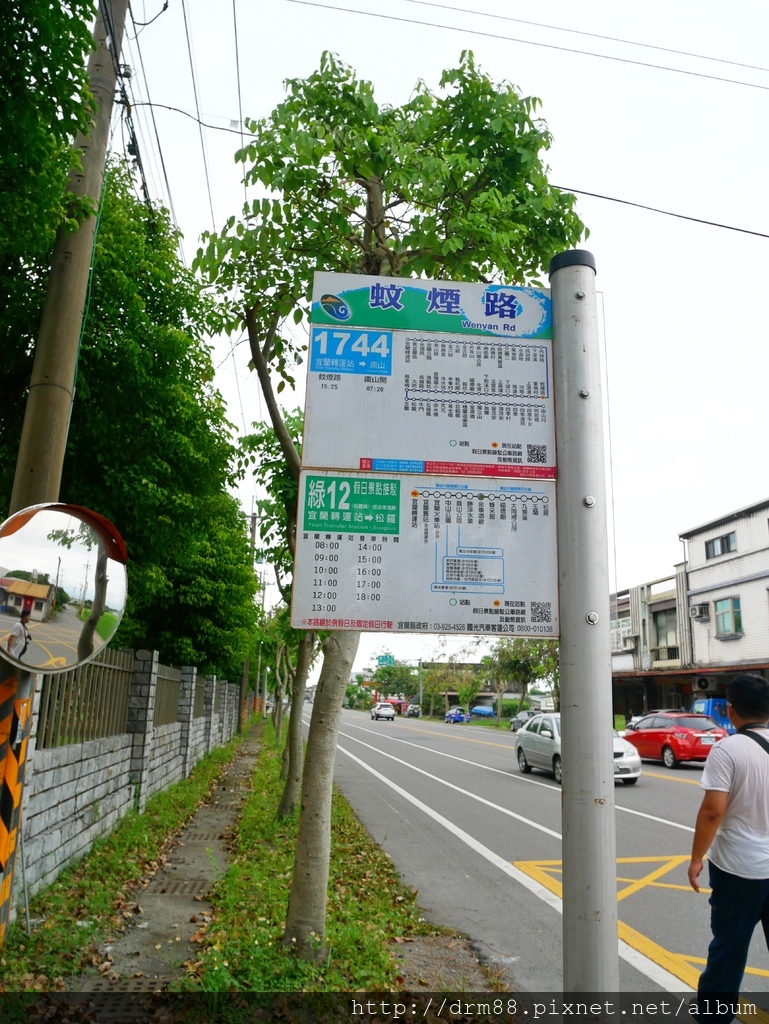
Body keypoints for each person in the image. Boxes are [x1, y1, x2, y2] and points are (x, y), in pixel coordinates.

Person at [688, 672, 769, 1021]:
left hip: (740, 870)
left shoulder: (728, 749)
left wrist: (695, 859)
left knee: (730, 947)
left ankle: (714, 1016)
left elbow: (712, 811)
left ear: (731, 710)